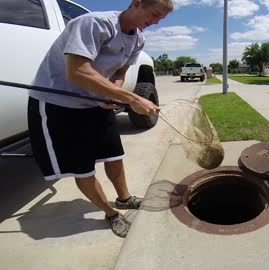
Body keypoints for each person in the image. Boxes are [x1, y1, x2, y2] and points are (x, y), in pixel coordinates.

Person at [27, 0, 173, 237]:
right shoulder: (95, 24)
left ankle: (124, 199)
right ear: (137, 3)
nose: (155, 22)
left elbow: (120, 73)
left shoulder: (138, 39)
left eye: (160, 19)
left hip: (95, 102)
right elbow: (77, 71)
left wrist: (110, 94)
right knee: (82, 167)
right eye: (154, 14)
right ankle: (111, 213)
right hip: (60, 103)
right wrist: (131, 99)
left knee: (114, 154)